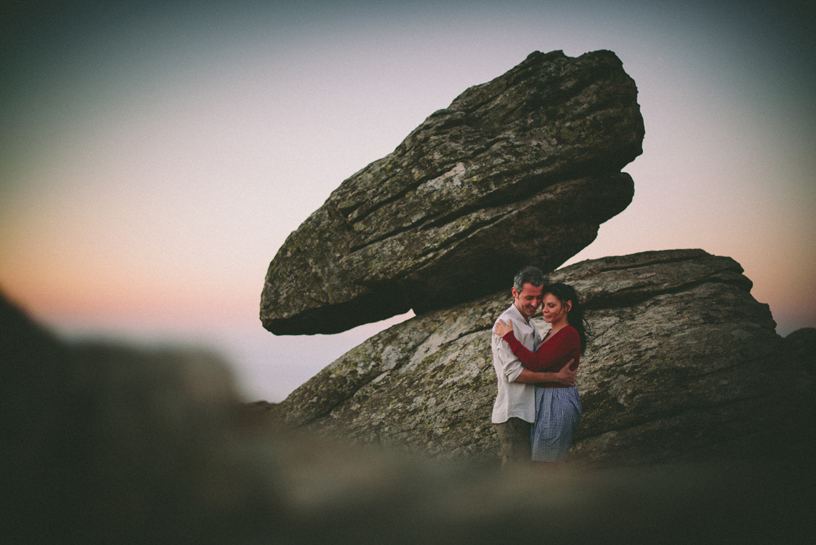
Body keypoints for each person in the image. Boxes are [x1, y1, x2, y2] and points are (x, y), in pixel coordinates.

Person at [491, 267, 577, 466]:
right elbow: (515, 374)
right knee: (518, 481)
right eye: (529, 297)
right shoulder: (506, 323)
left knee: (531, 481)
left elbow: (537, 360)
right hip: (514, 414)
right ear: (515, 293)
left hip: (530, 413)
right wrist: (557, 377)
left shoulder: (529, 323)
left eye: (538, 298)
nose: (535, 304)